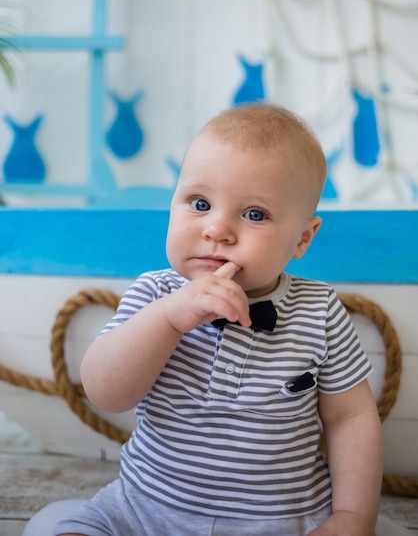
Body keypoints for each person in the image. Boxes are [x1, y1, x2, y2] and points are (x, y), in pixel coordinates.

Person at [32, 103, 389, 535]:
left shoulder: (319, 309)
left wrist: (354, 516)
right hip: (144, 511)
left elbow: (349, 418)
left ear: (302, 238)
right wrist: (169, 319)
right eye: (199, 203)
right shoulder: (155, 293)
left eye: (254, 214)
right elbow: (105, 392)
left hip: (280, 521)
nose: (217, 229)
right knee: (55, 526)